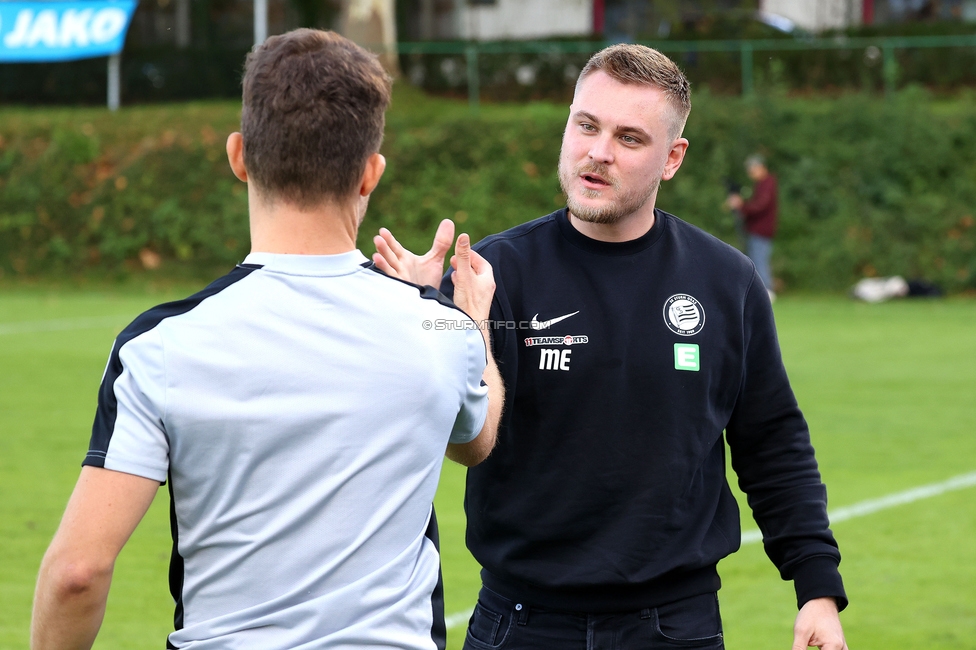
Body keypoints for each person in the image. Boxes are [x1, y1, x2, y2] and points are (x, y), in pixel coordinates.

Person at [30, 29, 503, 650]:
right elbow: (476, 441)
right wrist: (465, 318)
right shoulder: (439, 329)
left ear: (238, 156)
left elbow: (76, 573)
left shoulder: (159, 346)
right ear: (370, 174)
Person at [373, 44, 848, 650]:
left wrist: (817, 587)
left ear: (671, 158)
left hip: (676, 627)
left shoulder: (725, 282)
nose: (597, 152)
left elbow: (772, 440)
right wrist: (417, 320)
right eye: (586, 125)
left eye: (629, 138)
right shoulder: (494, 273)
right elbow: (448, 435)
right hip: (519, 624)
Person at [727, 154, 778, 302]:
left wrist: (741, 206)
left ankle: (767, 291)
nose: (750, 173)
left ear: (760, 167)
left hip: (761, 229)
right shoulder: (762, 184)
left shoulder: (767, 183)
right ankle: (764, 290)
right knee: (757, 258)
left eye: (752, 169)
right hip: (758, 229)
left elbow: (760, 206)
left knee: (759, 259)